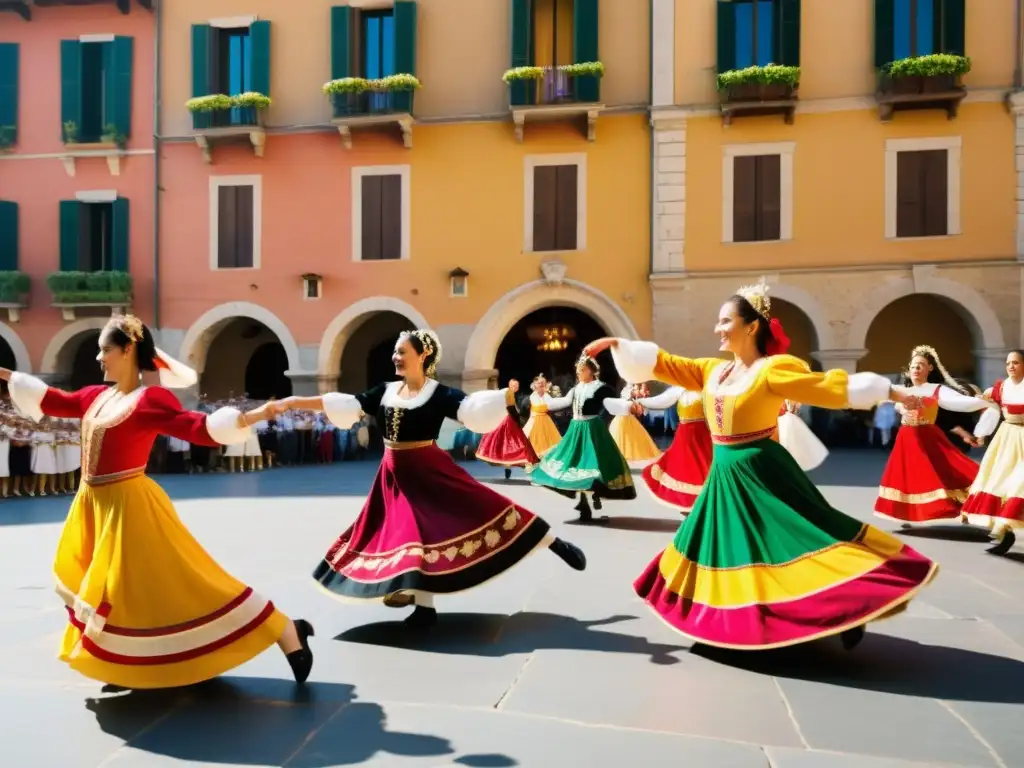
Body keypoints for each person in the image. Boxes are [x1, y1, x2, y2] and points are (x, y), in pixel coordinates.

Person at [584, 282, 937, 651]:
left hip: (762, 471)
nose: (717, 329)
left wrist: (894, 393)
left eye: (725, 321)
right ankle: (730, 618)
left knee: (794, 544)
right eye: (718, 322)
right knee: (729, 549)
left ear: (751, 326)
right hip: (723, 473)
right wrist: (620, 347)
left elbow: (826, 386)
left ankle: (845, 608)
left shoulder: (772, 370)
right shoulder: (711, 371)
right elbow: (667, 364)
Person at [0, 314, 314, 690]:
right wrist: (5, 374)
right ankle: (130, 661)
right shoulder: (96, 397)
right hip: (94, 506)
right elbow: (56, 401)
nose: (99, 358)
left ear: (128, 349)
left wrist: (258, 414)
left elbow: (198, 429)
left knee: (188, 584)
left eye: (105, 350)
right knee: (121, 591)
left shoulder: (150, 399)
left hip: (131, 507)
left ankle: (285, 629)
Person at [273, 329, 586, 629]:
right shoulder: (384, 391)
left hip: (430, 468)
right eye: (395, 351)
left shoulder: (439, 394)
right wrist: (291, 403)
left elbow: (471, 410)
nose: (396, 357)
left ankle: (552, 542)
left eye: (402, 352)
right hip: (394, 476)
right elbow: (343, 403)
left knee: (487, 504)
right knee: (411, 537)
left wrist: (502, 397)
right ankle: (424, 608)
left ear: (422, 355)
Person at [873, 346, 997, 528]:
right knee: (909, 477)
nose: (916, 370)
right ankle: (908, 512)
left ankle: (969, 504)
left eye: (921, 365)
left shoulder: (937, 390)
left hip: (928, 437)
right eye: (914, 366)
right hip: (906, 439)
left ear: (930, 368)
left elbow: (962, 403)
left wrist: (986, 400)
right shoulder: (901, 391)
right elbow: (880, 395)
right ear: (909, 369)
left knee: (946, 473)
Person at [528, 354, 637, 524]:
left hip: (592, 429)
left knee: (592, 463)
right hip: (576, 428)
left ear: (592, 371)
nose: (579, 373)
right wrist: (544, 403)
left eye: (582, 370)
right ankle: (584, 502)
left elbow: (610, 403)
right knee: (570, 462)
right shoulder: (576, 388)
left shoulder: (599, 387)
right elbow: (565, 401)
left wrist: (628, 405)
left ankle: (591, 498)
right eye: (578, 370)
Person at [962, 349, 1024, 554]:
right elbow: (993, 412)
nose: (1010, 366)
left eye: (1015, 362)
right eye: (1008, 363)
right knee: (999, 482)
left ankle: (1005, 527)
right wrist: (981, 434)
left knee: (1019, 485)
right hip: (1006, 439)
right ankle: (1003, 531)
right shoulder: (1001, 388)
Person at [475, 379, 540, 480]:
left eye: (517, 385)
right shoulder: (508, 393)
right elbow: (511, 408)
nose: (516, 387)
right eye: (514, 385)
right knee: (515, 443)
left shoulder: (506, 393)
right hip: (508, 421)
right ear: (510, 385)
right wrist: (518, 420)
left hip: (505, 420)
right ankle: (520, 463)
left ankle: (508, 467)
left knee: (505, 444)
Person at [608, 383, 662, 466]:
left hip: (627, 413)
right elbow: (629, 396)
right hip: (624, 413)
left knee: (629, 433)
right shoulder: (628, 387)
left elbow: (637, 396)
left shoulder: (634, 386)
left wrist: (640, 395)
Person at [521, 375, 562, 457]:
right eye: (539, 383)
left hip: (546, 421)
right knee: (538, 441)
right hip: (535, 422)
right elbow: (536, 409)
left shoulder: (547, 396)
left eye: (543, 383)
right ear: (535, 385)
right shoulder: (532, 397)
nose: (541, 384)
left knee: (551, 441)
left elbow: (552, 407)